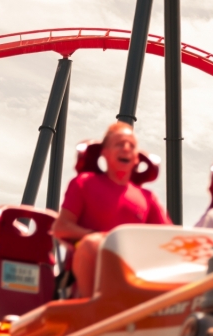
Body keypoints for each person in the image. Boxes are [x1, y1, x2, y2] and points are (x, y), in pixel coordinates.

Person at [51, 122, 171, 297]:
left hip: (135, 268)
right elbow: (60, 228)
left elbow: (168, 237)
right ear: (104, 154)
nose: (126, 149)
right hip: (93, 266)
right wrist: (101, 238)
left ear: (137, 158)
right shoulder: (84, 183)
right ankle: (89, 307)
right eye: (119, 144)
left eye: (131, 145)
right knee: (91, 244)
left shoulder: (147, 197)